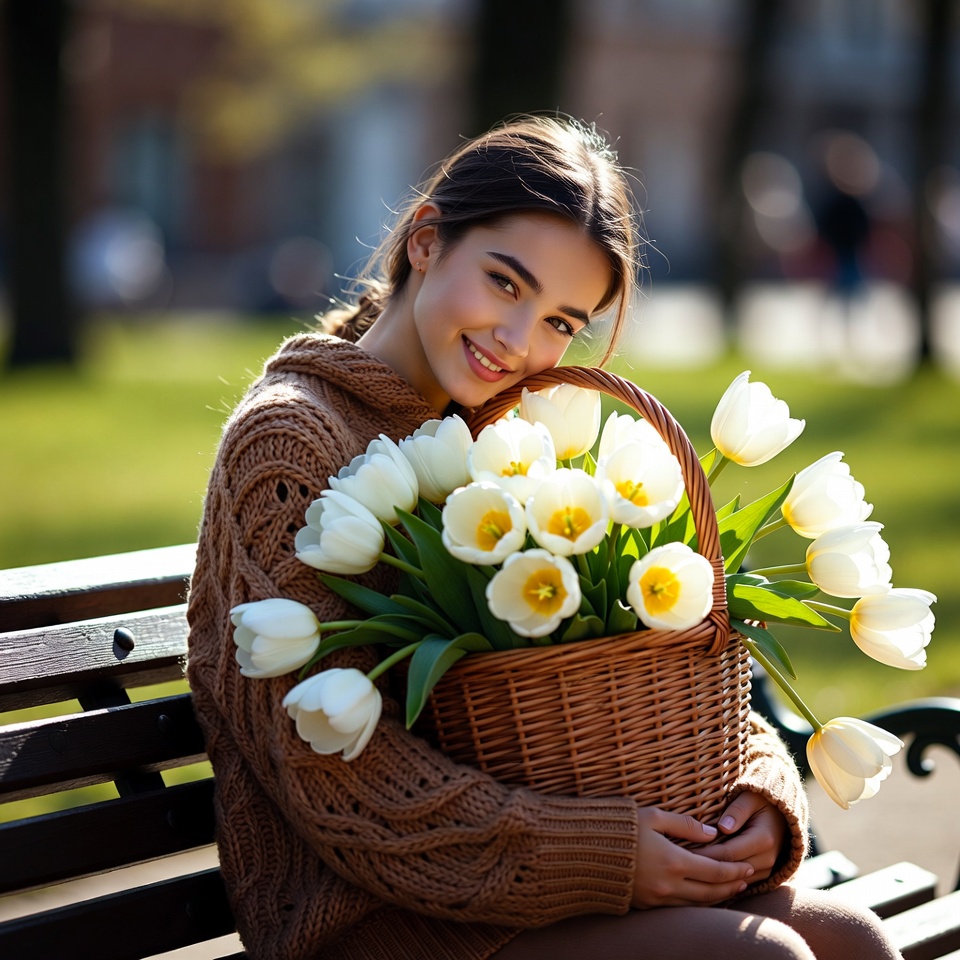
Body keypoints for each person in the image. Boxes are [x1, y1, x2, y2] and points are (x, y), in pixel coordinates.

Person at [186, 116, 901, 960]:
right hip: (374, 923)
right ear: (426, 242)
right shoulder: (291, 442)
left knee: (854, 940)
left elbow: (632, 683)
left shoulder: (523, 441)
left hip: (542, 891)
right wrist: (601, 856)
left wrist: (756, 795)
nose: (520, 343)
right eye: (504, 282)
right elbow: (330, 770)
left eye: (563, 321)